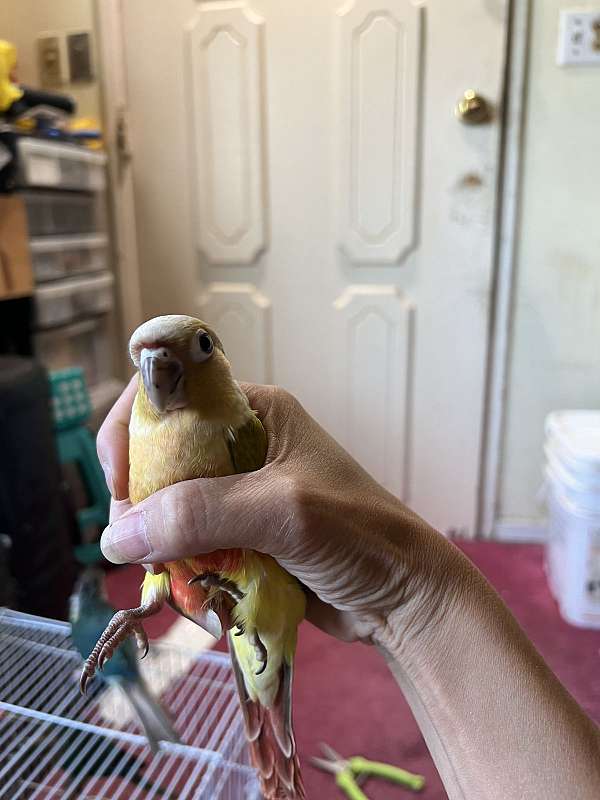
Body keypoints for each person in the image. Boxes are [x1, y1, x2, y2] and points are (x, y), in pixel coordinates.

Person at [98, 380, 600, 800]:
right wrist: (143, 606)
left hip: (260, 602)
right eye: (142, 361)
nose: (159, 370)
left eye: (199, 347)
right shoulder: (143, 434)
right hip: (209, 592)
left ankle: (273, 747)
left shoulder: (242, 430)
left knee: (263, 694)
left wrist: (408, 595)